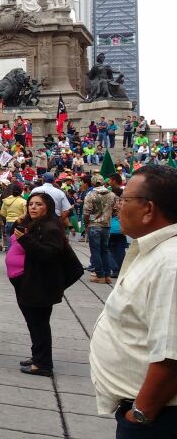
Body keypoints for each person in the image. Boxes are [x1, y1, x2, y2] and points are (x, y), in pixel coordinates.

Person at [89, 165, 177, 437]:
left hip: (156, 417)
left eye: (124, 200)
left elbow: (171, 356)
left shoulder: (171, 264)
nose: (117, 207)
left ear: (149, 209)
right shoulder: (155, 251)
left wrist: (140, 414)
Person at [7, 192, 69, 377]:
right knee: (33, 323)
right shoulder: (36, 224)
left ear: (48, 207)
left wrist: (25, 239)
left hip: (39, 283)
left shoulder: (50, 228)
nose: (33, 207)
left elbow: (49, 254)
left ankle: (43, 364)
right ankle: (38, 357)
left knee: (39, 324)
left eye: (38, 204)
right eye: (31, 204)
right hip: (26, 281)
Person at [83, 175, 117, 285]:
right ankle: (107, 275)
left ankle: (100, 275)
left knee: (95, 251)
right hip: (106, 225)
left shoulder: (91, 194)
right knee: (105, 250)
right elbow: (115, 209)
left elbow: (86, 213)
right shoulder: (112, 195)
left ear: (92, 183)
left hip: (94, 225)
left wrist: (86, 224)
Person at [0, 183, 27, 251]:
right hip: (19, 223)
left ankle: (9, 252)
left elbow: (2, 213)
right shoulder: (23, 201)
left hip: (8, 222)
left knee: (9, 238)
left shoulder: (6, 201)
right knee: (18, 239)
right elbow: (26, 213)